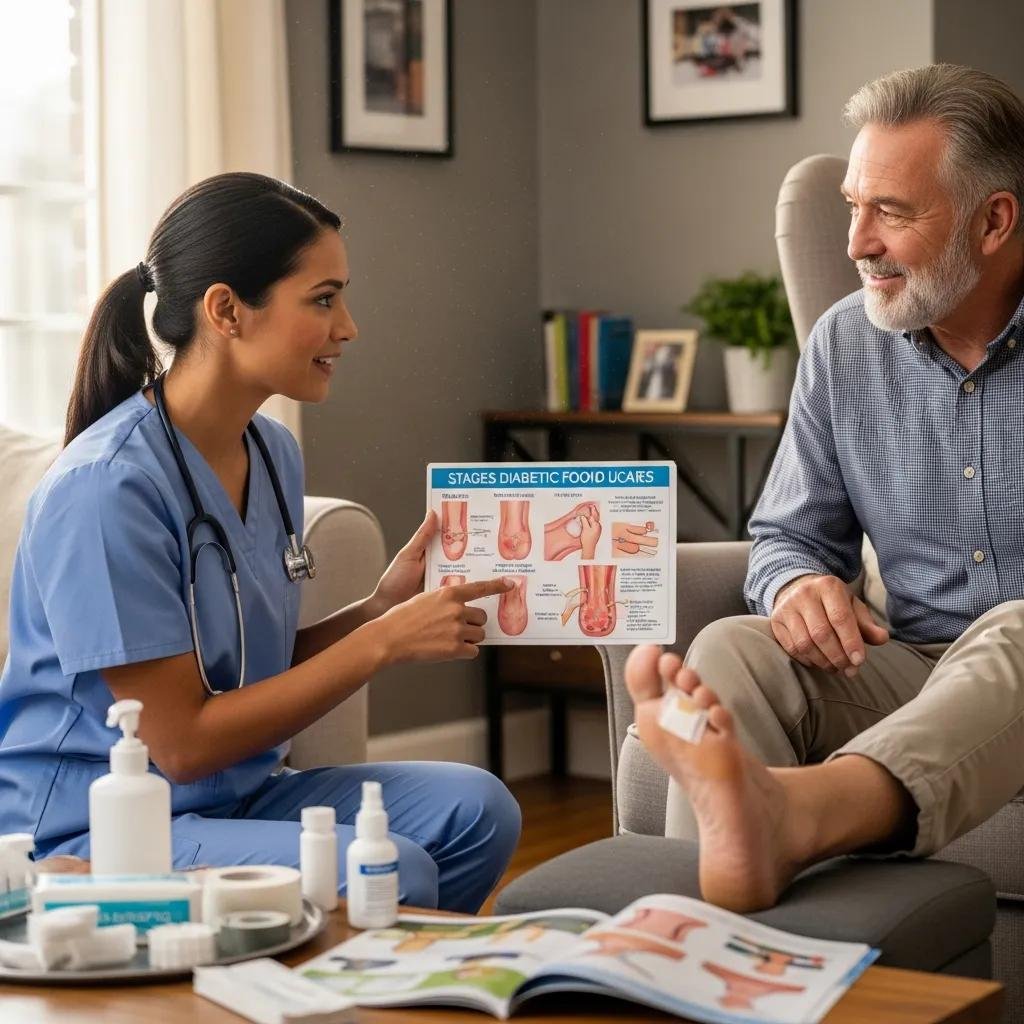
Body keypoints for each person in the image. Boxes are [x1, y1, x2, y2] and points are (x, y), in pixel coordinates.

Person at [0, 172, 520, 913]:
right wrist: (382, 645)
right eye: (323, 298)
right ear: (226, 311)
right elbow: (179, 741)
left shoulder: (271, 451)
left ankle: (357, 982)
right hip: (96, 831)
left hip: (237, 798)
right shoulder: (106, 490)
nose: (349, 327)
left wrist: (380, 608)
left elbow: (245, 673)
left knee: (477, 810)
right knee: (389, 868)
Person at [625, 64, 1024, 912]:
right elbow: (788, 534)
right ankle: (713, 942)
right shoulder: (846, 344)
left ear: (994, 221)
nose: (856, 243)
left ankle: (798, 815)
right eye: (852, 205)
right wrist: (798, 582)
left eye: (892, 211)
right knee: (733, 647)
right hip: (912, 665)